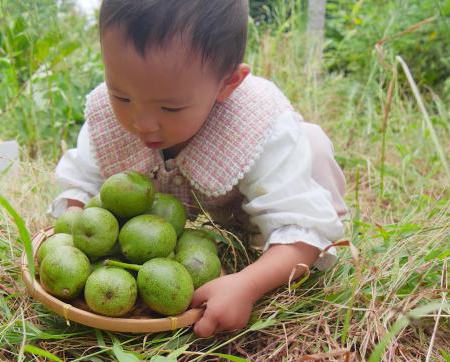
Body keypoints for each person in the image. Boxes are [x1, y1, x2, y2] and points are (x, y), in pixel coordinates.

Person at [49, 0, 347, 338]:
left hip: (260, 204)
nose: (142, 122)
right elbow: (82, 183)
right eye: (122, 96)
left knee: (312, 145)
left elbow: (301, 230)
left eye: (170, 107)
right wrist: (74, 237)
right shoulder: (110, 118)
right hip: (162, 235)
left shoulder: (256, 129)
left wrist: (247, 284)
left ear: (227, 84)